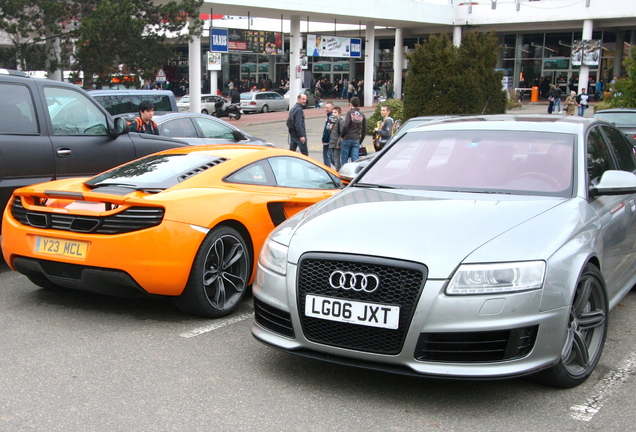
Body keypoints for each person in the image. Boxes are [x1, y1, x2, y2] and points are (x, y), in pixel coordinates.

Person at [340, 96, 367, 167]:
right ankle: (354, 175)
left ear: (351, 104)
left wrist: (342, 136)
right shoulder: (362, 115)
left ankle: (345, 174)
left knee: (344, 158)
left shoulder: (349, 113)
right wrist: (360, 140)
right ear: (358, 105)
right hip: (356, 139)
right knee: (355, 159)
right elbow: (365, 129)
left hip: (347, 138)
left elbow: (345, 126)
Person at [329, 106, 344, 171]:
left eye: (335, 112)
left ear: (339, 113)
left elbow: (342, 133)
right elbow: (331, 133)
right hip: (332, 142)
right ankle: (339, 169)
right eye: (333, 112)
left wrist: (338, 143)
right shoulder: (333, 121)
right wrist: (330, 128)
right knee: (332, 159)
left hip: (336, 143)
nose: (333, 114)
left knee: (336, 159)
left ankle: (338, 171)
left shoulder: (340, 121)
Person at [321, 102, 335, 167]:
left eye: (327, 108)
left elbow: (327, 130)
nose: (326, 109)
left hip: (328, 141)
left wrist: (324, 139)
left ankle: (328, 172)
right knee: (332, 157)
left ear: (332, 109)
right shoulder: (332, 117)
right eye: (325, 107)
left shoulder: (330, 117)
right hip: (332, 140)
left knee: (326, 156)